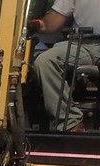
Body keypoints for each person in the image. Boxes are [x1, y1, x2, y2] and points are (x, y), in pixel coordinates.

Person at [28, 0, 100, 131]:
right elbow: (55, 18)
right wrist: (38, 25)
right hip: (79, 42)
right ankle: (70, 122)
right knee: (45, 61)